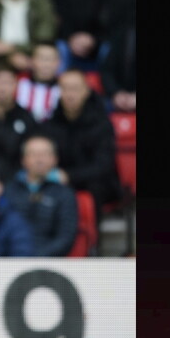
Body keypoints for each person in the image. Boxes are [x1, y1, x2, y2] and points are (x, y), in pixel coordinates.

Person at [38, 68, 120, 222]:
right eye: (64, 88)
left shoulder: (101, 123)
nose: (70, 94)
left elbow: (103, 165)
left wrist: (69, 176)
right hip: (59, 179)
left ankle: (90, 241)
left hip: (94, 181)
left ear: (86, 91)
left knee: (94, 188)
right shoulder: (50, 124)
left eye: (75, 89)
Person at [3, 134, 78, 256]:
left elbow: (66, 237)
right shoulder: (9, 190)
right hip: (11, 262)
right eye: (33, 154)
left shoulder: (65, 194)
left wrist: (38, 257)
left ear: (55, 159)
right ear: (23, 159)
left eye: (45, 154)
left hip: (49, 264)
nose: (39, 159)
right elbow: (1, 231)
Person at [0, 0, 58, 73]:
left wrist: (12, 49)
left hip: (31, 56)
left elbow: (44, 37)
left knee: (45, 56)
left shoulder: (40, 4)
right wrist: (10, 53)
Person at [15, 40, 62, 123]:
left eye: (51, 59)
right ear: (31, 61)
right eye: (42, 58)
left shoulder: (65, 87)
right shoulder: (18, 84)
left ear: (59, 63)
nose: (46, 64)